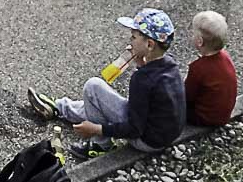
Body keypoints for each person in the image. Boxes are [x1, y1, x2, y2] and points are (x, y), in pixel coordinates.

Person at [26, 8, 186, 160]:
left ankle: (100, 145)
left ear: (149, 44)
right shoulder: (170, 65)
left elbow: (134, 128)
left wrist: (96, 129)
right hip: (164, 135)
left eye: (134, 37)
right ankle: (58, 107)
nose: (130, 41)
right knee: (96, 102)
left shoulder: (142, 79)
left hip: (146, 141)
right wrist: (140, 63)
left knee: (93, 87)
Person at [183, 11, 238, 128]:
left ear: (199, 42)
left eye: (193, 34)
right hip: (223, 115)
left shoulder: (198, 68)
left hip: (204, 118)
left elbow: (187, 96)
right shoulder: (225, 57)